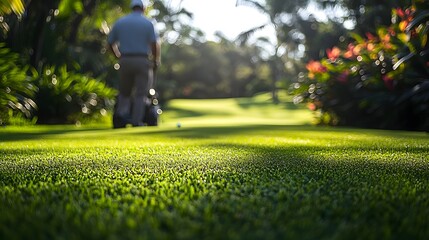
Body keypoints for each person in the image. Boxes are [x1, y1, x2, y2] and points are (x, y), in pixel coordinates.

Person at [108, 0, 161, 127]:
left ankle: (121, 118)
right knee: (141, 93)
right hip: (142, 60)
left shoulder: (121, 22)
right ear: (143, 8)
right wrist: (155, 60)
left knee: (124, 92)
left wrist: (117, 56)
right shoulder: (148, 23)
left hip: (125, 60)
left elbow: (110, 42)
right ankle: (136, 121)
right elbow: (154, 44)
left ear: (132, 8)